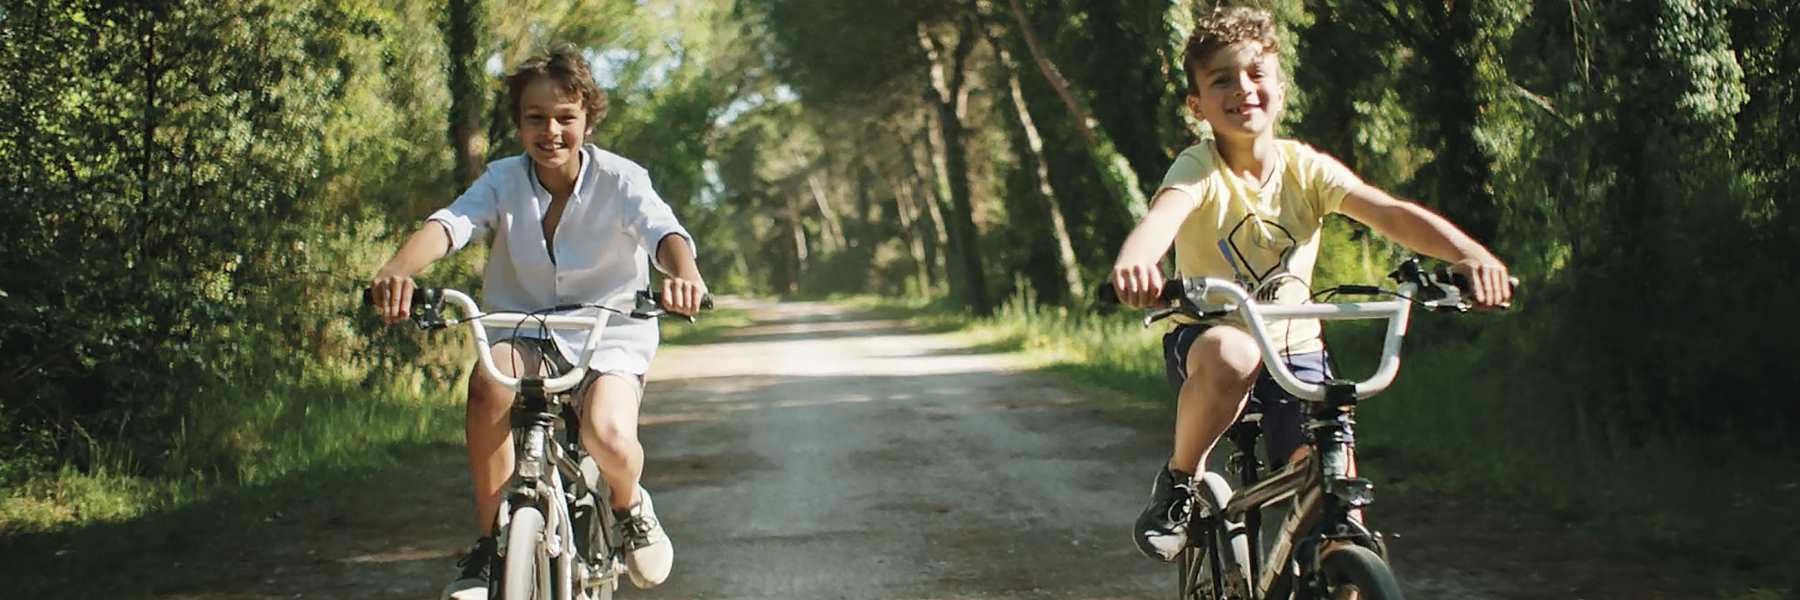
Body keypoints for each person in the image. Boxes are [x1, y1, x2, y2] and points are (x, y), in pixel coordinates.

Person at [1110, 7, 1511, 561]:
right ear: (1197, 106)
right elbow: (1162, 219)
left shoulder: (1305, 168)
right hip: (1208, 341)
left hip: (1297, 354)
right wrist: (1138, 264)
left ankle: (1334, 565)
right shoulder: (1198, 167)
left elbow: (1389, 213)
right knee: (1235, 351)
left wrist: (1471, 256)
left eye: (1256, 74)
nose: (1242, 89)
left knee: (1337, 501)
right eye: (1221, 80)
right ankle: (1180, 481)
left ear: (1281, 87)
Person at [367, 43, 706, 597]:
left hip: (609, 333)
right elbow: (452, 224)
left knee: (608, 436)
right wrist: (397, 268)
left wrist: (685, 275)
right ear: (519, 124)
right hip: (525, 330)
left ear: (587, 119)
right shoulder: (502, 180)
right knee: (486, 387)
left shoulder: (621, 179)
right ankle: (490, 545)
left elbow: (662, 233)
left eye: (565, 118)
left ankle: (628, 506)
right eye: (535, 118)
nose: (551, 131)